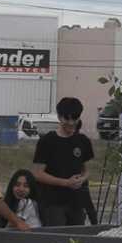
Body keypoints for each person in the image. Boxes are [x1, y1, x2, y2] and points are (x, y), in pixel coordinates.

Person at [32, 97, 94, 227]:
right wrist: (65, 183)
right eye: (67, 119)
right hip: (53, 203)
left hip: (76, 202)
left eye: (74, 119)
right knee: (57, 241)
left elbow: (87, 169)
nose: (71, 123)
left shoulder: (83, 141)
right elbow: (38, 173)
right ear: (59, 117)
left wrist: (81, 179)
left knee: (77, 241)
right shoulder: (47, 141)